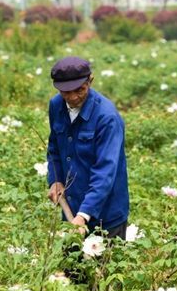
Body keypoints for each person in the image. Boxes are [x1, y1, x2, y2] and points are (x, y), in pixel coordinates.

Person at [46, 56, 129, 240]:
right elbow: (54, 149)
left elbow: (105, 171)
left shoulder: (107, 117)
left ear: (90, 82)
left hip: (106, 217)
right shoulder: (56, 105)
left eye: (80, 90)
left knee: (106, 268)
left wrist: (84, 215)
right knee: (70, 269)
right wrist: (56, 179)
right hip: (71, 210)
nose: (73, 97)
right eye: (66, 92)